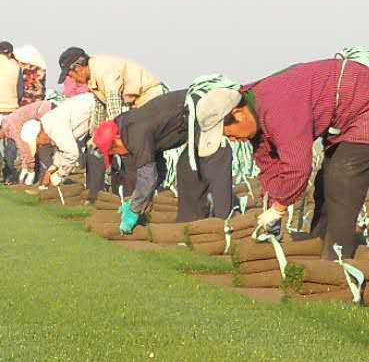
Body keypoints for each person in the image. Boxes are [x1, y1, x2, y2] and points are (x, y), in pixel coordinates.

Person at [221, 56, 369, 261]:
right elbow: (270, 166)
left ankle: (336, 259)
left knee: (342, 178)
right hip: (342, 120)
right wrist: (273, 202)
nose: (232, 140)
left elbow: (297, 168)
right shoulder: (255, 117)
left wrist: (279, 208)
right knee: (324, 184)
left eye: (229, 133)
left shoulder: (278, 109)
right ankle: (318, 245)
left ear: (239, 114)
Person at [89, 84, 243, 231]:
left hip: (205, 110)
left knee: (210, 163)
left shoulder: (135, 134)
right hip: (194, 120)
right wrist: (139, 201)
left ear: (116, 140)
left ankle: (227, 221)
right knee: (185, 168)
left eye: (115, 151)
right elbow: (158, 170)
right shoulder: (129, 128)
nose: (120, 155)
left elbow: (147, 177)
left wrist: (134, 209)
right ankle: (193, 227)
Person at [57, 48, 165, 126]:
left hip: (151, 97)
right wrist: (94, 135)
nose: (73, 80)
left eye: (71, 76)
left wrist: (108, 134)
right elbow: (100, 109)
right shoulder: (91, 77)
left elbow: (114, 110)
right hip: (137, 104)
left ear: (78, 68)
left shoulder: (104, 71)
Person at [25, 92, 98, 187]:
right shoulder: (48, 125)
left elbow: (72, 154)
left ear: (39, 134)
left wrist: (59, 176)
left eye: (39, 144)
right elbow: (61, 149)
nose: (41, 146)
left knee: (98, 153)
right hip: (91, 111)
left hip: (98, 107)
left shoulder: (55, 127)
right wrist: (51, 170)